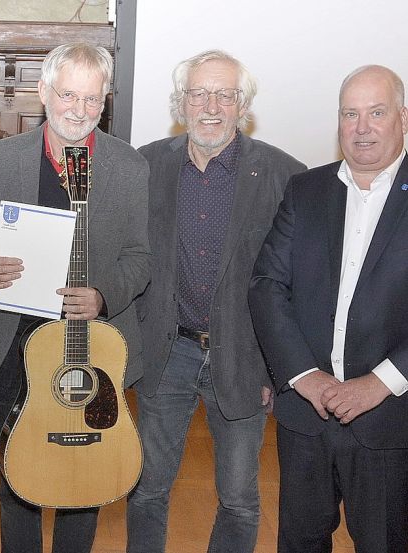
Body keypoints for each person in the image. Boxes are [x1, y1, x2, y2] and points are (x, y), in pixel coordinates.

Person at [0, 42, 149, 553]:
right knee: (16, 481)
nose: (79, 111)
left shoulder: (130, 168)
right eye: (68, 95)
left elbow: (140, 258)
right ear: (43, 92)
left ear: (105, 100)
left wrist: (105, 296)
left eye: (92, 100)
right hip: (14, 352)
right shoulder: (5, 159)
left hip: (95, 354)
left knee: (83, 483)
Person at [126, 50, 305, 553]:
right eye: (198, 93)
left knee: (240, 499)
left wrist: (277, 368)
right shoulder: (147, 164)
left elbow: (293, 285)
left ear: (242, 104)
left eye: (224, 95)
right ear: (181, 103)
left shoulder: (284, 176)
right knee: (146, 491)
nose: (210, 106)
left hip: (246, 359)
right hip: (168, 352)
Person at [249, 65, 408, 552]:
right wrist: (304, 376)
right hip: (305, 418)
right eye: (350, 114)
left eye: (376, 113)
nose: (361, 127)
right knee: (299, 541)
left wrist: (378, 383)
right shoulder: (305, 190)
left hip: (389, 421)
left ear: (403, 117)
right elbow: (266, 284)